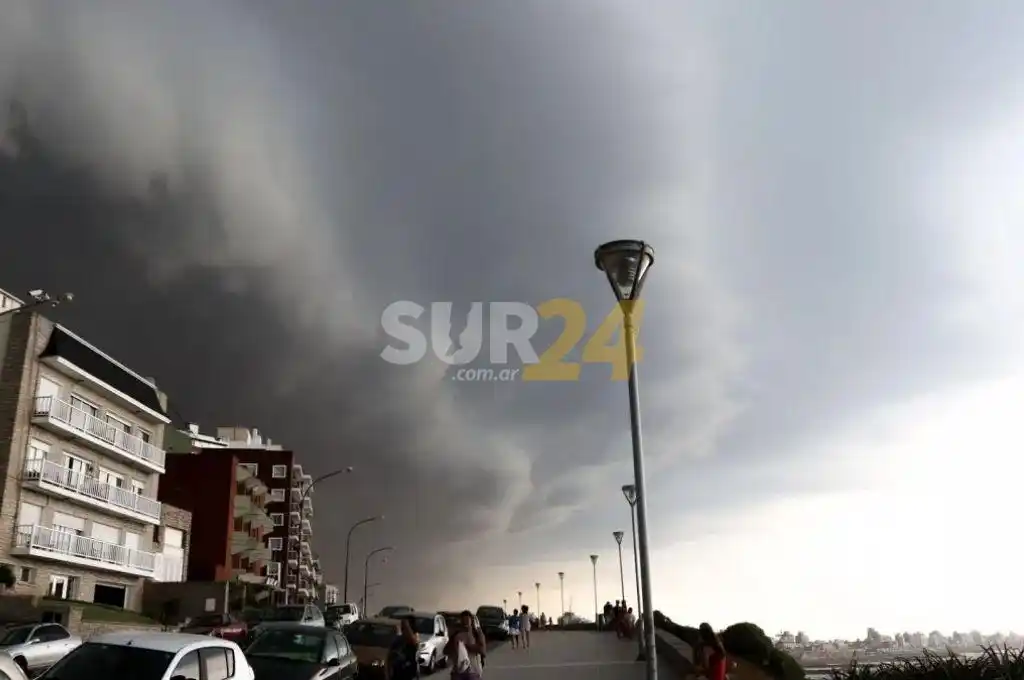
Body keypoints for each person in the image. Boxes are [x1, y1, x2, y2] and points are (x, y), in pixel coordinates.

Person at [445, 610, 486, 679]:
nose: (465, 623)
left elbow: (483, 651)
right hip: (457, 671)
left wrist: (466, 646)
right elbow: (446, 651)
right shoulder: (456, 634)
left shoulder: (477, 633)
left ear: (471, 621)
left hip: (473, 671)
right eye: (463, 621)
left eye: (467, 620)